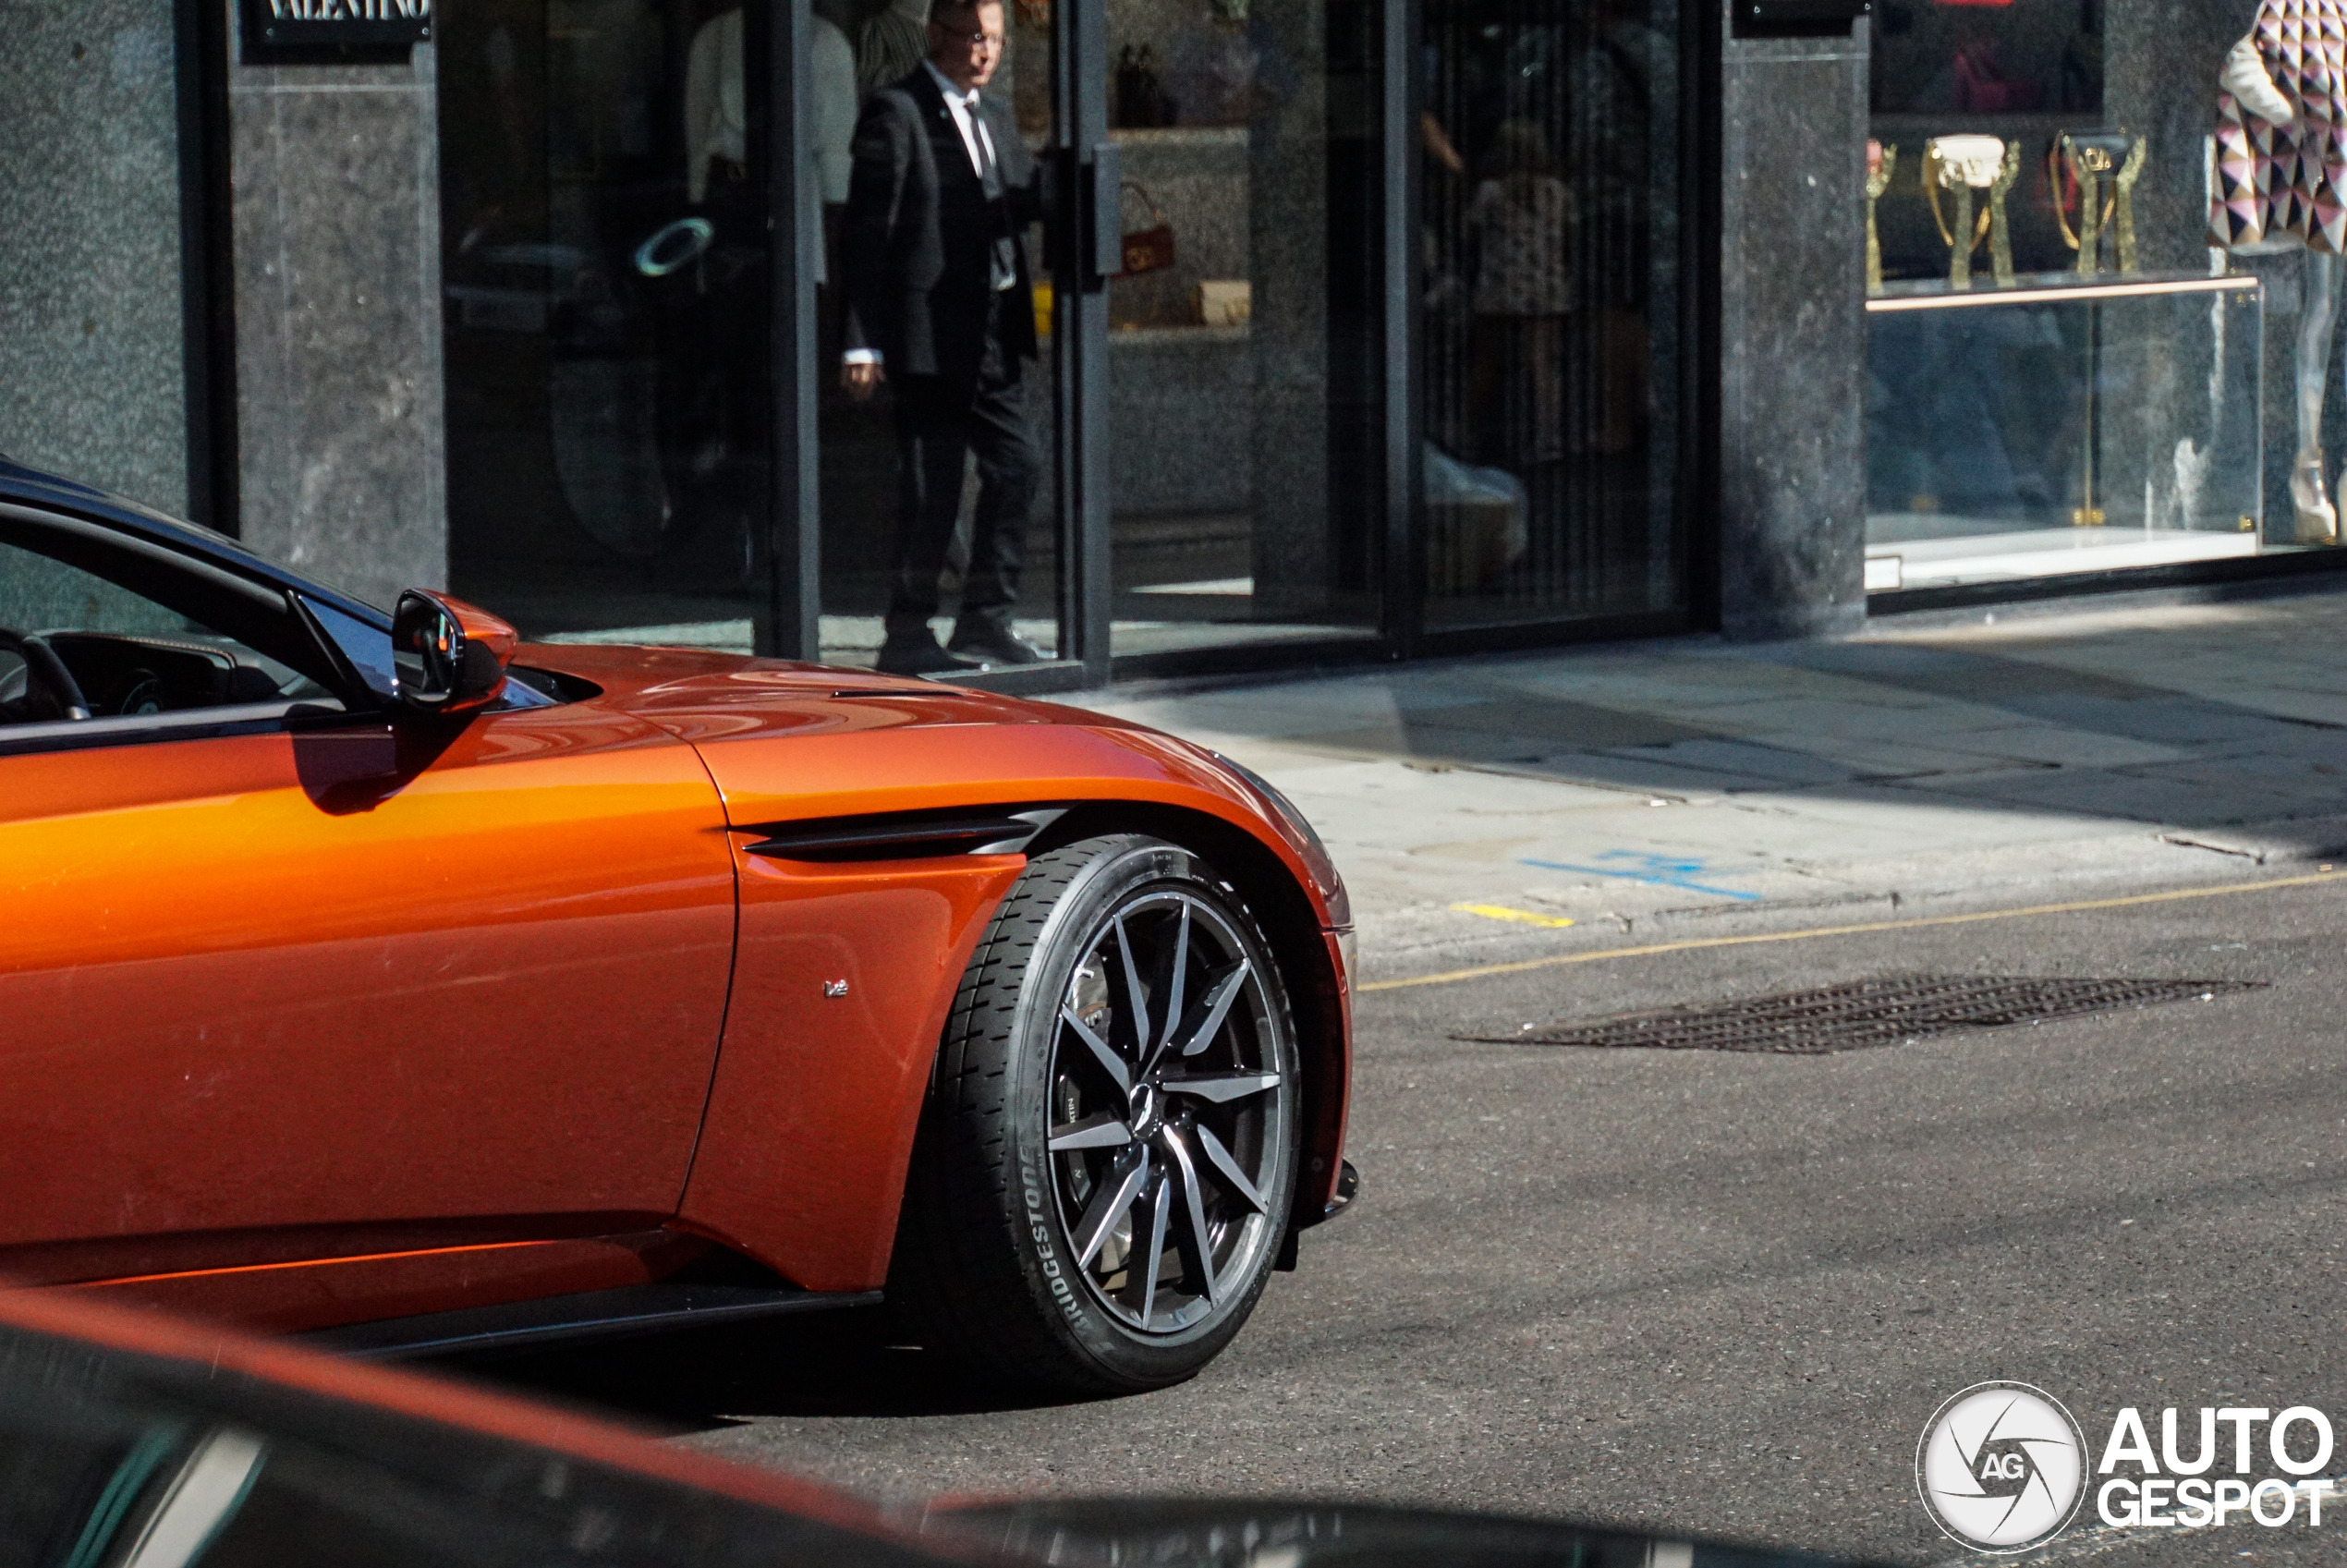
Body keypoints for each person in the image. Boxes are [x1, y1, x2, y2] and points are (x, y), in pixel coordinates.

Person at [841, 0, 1047, 674]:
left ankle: (986, 620)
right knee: (932, 485)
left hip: (994, 327)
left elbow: (1019, 195)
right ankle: (907, 631)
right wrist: (861, 340)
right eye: (973, 38)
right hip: (930, 333)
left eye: (996, 39)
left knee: (1018, 464)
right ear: (937, 35)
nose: (986, 52)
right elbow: (868, 238)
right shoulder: (897, 112)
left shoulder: (995, 114)